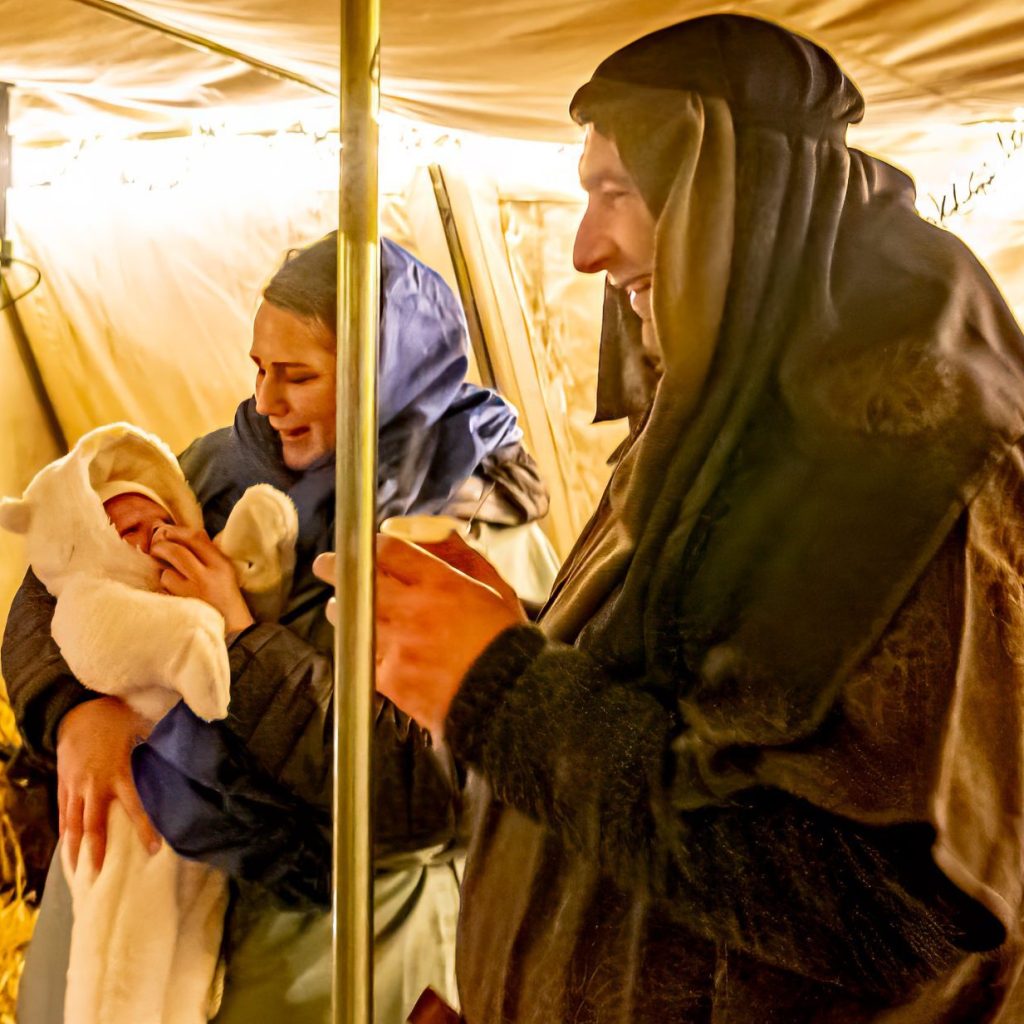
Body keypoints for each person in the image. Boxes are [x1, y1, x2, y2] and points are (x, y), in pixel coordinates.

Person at [373, 15, 1024, 1022]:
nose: (588, 248)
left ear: (736, 199)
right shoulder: (715, 434)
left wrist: (500, 688)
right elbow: (683, 710)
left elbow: (895, 909)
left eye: (615, 192)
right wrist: (519, 630)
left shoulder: (918, 468)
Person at [3, 232, 558, 1024]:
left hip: (324, 951)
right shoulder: (218, 465)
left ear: (382, 378)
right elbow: (54, 572)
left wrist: (238, 643)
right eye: (259, 368)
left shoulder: (467, 533)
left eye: (298, 376)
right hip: (130, 909)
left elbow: (430, 791)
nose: (266, 401)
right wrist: (73, 711)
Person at [1, 421, 297, 1024]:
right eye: (265, 368)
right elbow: (60, 585)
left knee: (187, 957)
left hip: (226, 816)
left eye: (165, 523)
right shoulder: (205, 467)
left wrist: (244, 583)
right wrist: (75, 709)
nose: (155, 537)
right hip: (130, 800)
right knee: (119, 961)